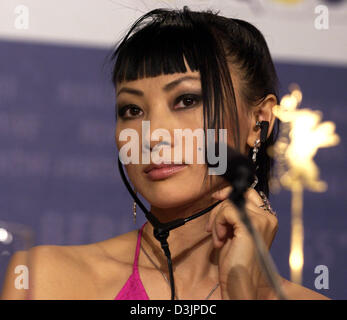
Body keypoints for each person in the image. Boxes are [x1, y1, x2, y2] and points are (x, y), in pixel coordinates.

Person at [1, 7, 329, 300]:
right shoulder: (46, 278)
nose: (153, 134)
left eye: (186, 101)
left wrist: (240, 288)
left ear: (259, 122)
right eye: (132, 109)